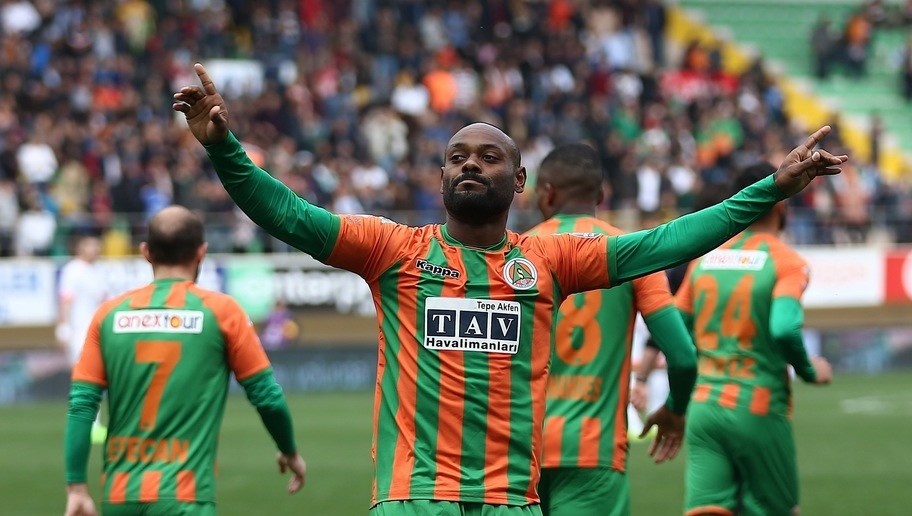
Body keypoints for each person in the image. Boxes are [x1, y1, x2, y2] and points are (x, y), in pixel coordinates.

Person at [172, 63, 846, 515]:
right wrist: (223, 148)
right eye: (458, 157)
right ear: (441, 177)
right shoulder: (394, 251)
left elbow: (669, 241)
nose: (471, 164)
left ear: (521, 183)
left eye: (489, 157)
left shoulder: (548, 261)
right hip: (413, 498)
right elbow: (288, 214)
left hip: (512, 502)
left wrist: (772, 188)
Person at [64, 206, 306, 516]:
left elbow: (81, 405)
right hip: (184, 496)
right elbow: (267, 397)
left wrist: (76, 486)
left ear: (146, 252)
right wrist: (289, 451)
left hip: (120, 496)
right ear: (201, 252)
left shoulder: (108, 315)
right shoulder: (223, 312)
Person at [527, 144, 697, 516]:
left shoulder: (515, 253)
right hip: (594, 449)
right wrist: (675, 410)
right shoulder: (632, 254)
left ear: (547, 193)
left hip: (517, 450)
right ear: (601, 195)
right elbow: (683, 356)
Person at [675, 163, 834, 516]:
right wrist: (809, 370)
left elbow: (674, 326)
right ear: (782, 205)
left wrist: (676, 398)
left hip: (704, 407)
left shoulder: (705, 261)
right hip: (757, 406)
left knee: (707, 511)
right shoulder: (787, 262)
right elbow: (784, 328)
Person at [57, 234, 109, 442]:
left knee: (97, 379)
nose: (95, 249)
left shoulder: (97, 271)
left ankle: (94, 424)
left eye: (97, 245)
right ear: (80, 247)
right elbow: (65, 300)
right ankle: (87, 425)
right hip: (79, 332)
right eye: (90, 245)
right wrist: (63, 327)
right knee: (86, 380)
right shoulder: (73, 270)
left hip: (96, 331)